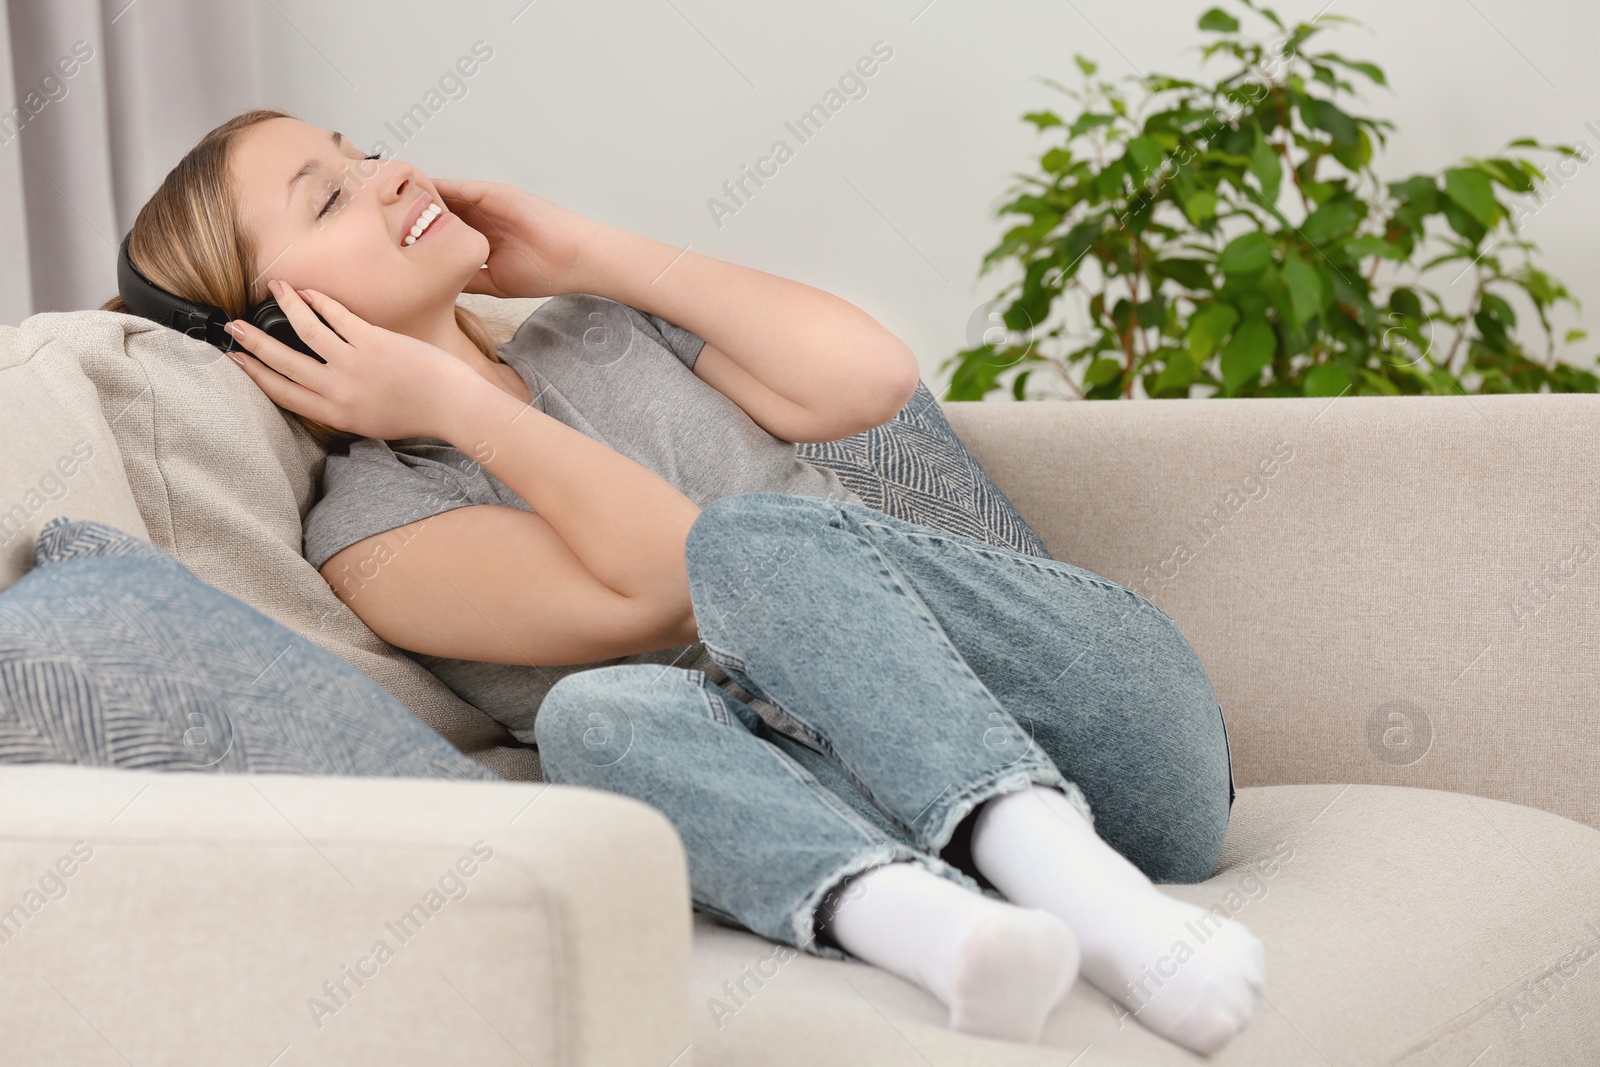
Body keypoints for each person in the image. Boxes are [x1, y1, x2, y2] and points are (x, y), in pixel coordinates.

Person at [103, 107, 1264, 1053]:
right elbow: (666, 581)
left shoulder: (600, 330)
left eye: (361, 151)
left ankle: (1096, 899)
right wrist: (448, 405)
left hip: (1111, 727)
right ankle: (939, 933)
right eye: (330, 195)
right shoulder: (375, 533)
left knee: (755, 537)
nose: (392, 172)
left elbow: (865, 384)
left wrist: (594, 256)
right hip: (892, 823)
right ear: (266, 327)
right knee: (592, 715)